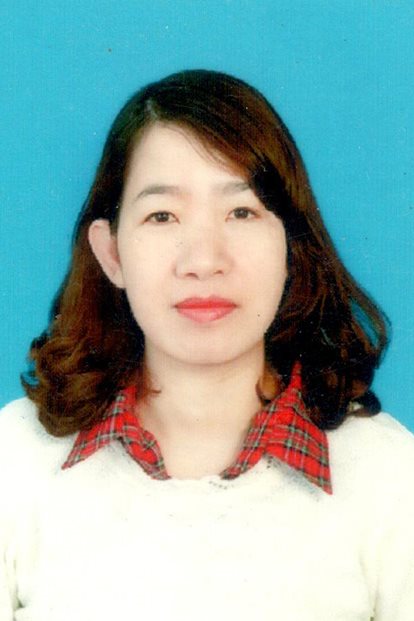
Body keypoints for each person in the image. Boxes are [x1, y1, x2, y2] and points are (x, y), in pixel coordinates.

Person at [0, 69, 413, 621]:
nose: (204, 260)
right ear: (112, 253)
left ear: (292, 247)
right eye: (162, 215)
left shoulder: (390, 477)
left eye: (242, 212)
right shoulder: (15, 461)